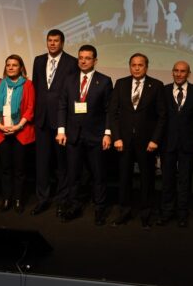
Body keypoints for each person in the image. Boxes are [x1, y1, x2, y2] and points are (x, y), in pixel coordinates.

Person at [55, 45, 113, 225]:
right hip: (73, 136)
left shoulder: (104, 81)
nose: (83, 61)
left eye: (88, 58)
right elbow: (62, 105)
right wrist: (61, 130)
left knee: (98, 175)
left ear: (95, 60)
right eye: (81, 57)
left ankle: (99, 209)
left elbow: (109, 110)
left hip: (96, 136)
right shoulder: (69, 79)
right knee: (73, 175)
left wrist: (107, 133)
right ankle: (74, 207)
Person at [108, 53, 166, 228]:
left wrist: (155, 140)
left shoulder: (157, 85)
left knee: (147, 179)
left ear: (146, 67)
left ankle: (146, 215)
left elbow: (162, 116)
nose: (137, 68)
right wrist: (116, 137)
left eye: (140, 65)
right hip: (123, 141)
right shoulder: (120, 84)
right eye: (133, 65)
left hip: (147, 142)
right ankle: (124, 212)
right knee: (124, 178)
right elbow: (113, 113)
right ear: (129, 66)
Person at [31, 29, 79, 216]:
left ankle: (62, 200)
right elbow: (35, 88)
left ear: (62, 43)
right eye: (49, 40)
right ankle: (42, 199)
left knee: (62, 164)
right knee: (41, 163)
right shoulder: (38, 60)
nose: (52, 43)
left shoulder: (72, 62)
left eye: (56, 41)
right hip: (41, 119)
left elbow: (73, 92)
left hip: (62, 121)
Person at [158, 61, 193, 228]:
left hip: (187, 144)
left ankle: (182, 214)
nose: (179, 74)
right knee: (167, 180)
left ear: (188, 73)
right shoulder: (163, 90)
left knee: (185, 181)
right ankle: (166, 212)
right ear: (172, 72)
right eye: (176, 70)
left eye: (182, 71)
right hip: (167, 143)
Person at [0, 54, 35, 214]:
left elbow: (30, 108)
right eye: (8, 65)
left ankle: (18, 199)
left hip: (20, 132)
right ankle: (6, 198)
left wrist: (18, 126)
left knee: (19, 169)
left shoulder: (28, 84)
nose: (10, 67)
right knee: (5, 168)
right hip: (1, 132)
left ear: (21, 68)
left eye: (14, 65)